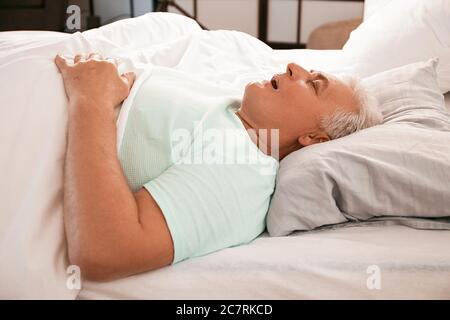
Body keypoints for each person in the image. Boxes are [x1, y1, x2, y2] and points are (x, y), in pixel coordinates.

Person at [54, 52, 382, 281]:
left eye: (313, 84)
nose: (294, 65)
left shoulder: (244, 171)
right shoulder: (234, 110)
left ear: (314, 137)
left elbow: (108, 250)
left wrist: (92, 99)